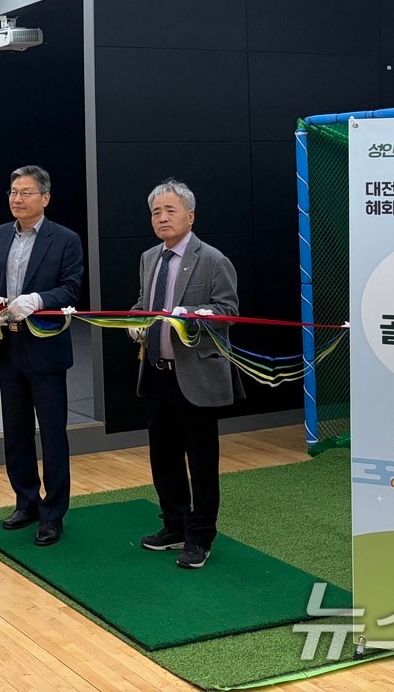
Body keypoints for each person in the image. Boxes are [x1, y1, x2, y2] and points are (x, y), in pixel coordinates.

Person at [134, 178, 241, 570]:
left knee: (201, 460)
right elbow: (146, 304)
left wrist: (196, 316)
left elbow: (229, 310)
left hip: (196, 376)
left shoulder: (211, 259)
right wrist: (133, 320)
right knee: (163, 457)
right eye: (156, 212)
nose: (162, 218)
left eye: (170, 210)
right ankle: (174, 524)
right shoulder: (150, 258)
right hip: (157, 372)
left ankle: (200, 536)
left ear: (190, 216)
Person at [0, 165, 84, 547]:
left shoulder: (66, 239)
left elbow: (71, 289)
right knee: (16, 431)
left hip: (45, 345)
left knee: (53, 434)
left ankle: (53, 514)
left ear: (45, 198)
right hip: (7, 342)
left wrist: (38, 300)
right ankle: (26, 502)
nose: (16, 198)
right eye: (12, 191)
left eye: (25, 192)